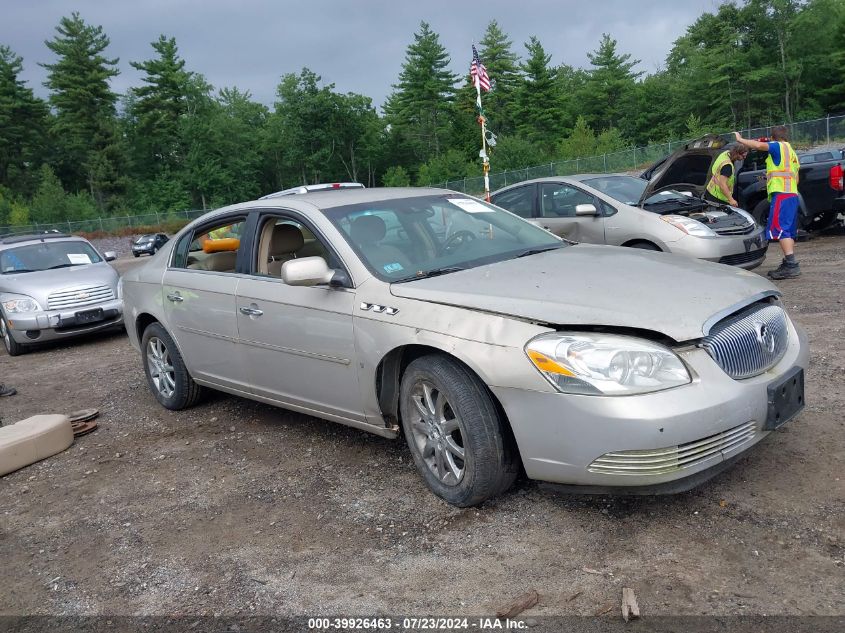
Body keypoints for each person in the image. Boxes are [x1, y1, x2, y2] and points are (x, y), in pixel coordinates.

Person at [734, 126, 801, 279]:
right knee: (788, 230)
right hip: (791, 194)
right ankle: (789, 262)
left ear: (773, 138)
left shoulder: (778, 146)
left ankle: (791, 265)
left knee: (781, 229)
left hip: (782, 194)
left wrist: (740, 139)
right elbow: (796, 178)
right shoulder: (791, 152)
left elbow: (758, 146)